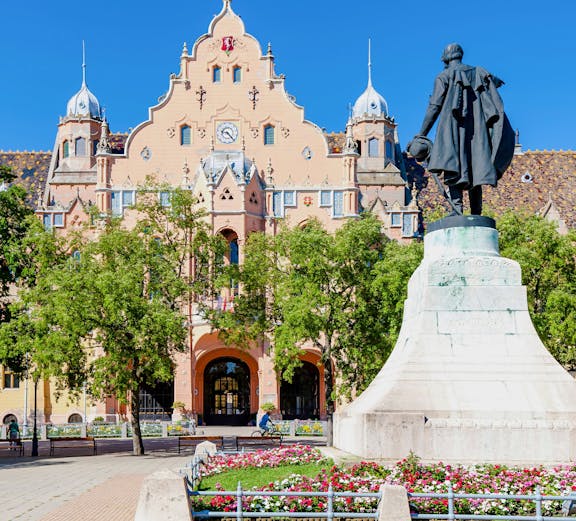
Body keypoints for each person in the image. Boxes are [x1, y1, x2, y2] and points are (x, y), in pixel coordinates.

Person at [410, 43, 515, 215]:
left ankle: (457, 208)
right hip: (477, 131)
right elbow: (492, 83)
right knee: (477, 166)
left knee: (452, 163)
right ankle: (476, 212)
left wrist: (422, 133)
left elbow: (434, 106)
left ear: (445, 58)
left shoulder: (443, 77)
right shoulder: (478, 73)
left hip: (451, 128)